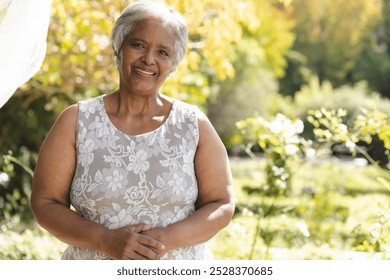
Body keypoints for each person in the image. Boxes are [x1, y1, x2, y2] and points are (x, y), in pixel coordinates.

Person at [30, 0, 235, 260]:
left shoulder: (194, 125)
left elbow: (222, 204)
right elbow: (45, 203)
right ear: (119, 49)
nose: (148, 59)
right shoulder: (75, 121)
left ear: (173, 63)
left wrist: (165, 240)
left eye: (163, 52)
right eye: (138, 45)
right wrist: (106, 241)